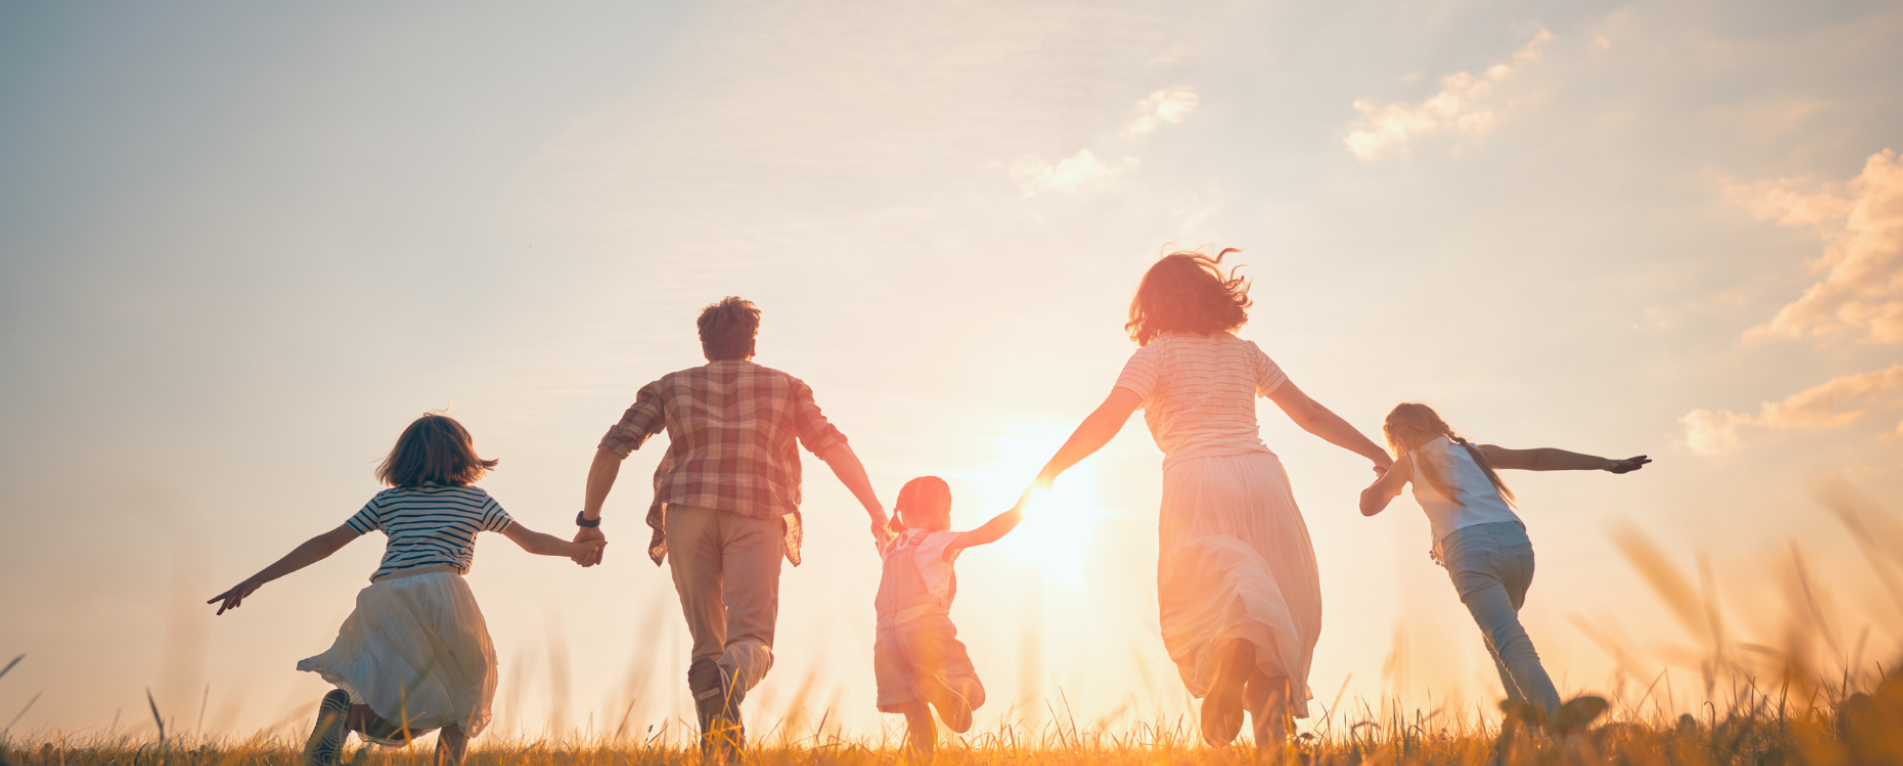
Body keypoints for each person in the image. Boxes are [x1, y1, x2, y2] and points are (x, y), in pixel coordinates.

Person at [1024, 248, 1392, 747]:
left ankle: (1231, 653)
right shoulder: (1246, 353)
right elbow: (1308, 414)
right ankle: (1274, 743)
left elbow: (1107, 420)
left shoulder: (1154, 355)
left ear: (1152, 306)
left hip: (1195, 478)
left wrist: (1049, 473)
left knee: (1213, 595)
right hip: (1263, 478)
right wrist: (1377, 453)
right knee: (1278, 607)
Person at [573, 296, 887, 759]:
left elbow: (613, 447)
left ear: (704, 345)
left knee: (709, 644)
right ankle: (724, 702)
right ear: (752, 342)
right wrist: (876, 511)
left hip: (687, 512)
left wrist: (590, 522)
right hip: (756, 510)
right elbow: (832, 446)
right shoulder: (786, 386)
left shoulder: (669, 387)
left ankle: (721, 754)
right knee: (752, 639)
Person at [207, 413, 600, 766]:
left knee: (386, 685)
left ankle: (345, 713)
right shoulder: (474, 500)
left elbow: (326, 543)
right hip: (442, 591)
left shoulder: (389, 501)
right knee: (468, 688)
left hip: (385, 595)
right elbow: (531, 541)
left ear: (403, 459)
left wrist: (257, 578)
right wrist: (577, 549)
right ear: (464, 457)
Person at [1359, 402, 1647, 730]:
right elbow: (1537, 458)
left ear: (1396, 437)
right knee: (1498, 638)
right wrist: (1605, 463)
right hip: (1517, 548)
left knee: (1509, 641)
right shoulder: (1474, 452)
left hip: (1470, 551)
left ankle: (1566, 737)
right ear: (1437, 423)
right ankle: (1530, 731)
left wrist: (1383, 476)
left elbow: (1368, 506)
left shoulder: (1407, 464)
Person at [873, 476, 1026, 756]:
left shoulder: (891, 548)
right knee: (974, 694)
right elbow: (988, 533)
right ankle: (938, 684)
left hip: (887, 640)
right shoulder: (938, 541)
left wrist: (878, 517)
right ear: (942, 513)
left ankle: (920, 758)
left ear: (902, 513)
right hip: (923, 629)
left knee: (915, 711)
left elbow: (878, 531)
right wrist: (1022, 507)